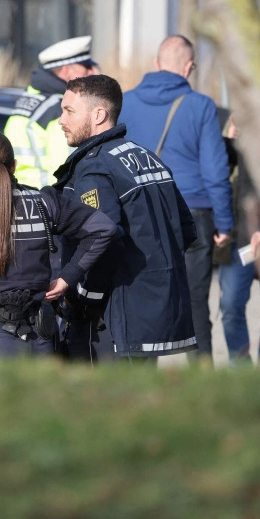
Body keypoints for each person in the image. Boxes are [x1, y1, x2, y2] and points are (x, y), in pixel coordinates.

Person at [0, 131, 118, 361]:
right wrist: (67, 278)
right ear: (14, 166)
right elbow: (102, 228)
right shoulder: (43, 201)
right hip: (41, 336)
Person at [53, 74, 197, 361]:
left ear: (98, 115)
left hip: (114, 319)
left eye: (69, 111)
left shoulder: (94, 168)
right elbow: (186, 229)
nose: (61, 120)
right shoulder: (146, 156)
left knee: (110, 403)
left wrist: (84, 298)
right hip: (149, 314)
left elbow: (103, 239)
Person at [122, 35, 233, 362]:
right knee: (195, 302)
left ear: (156, 64)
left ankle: (142, 379)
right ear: (190, 67)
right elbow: (215, 169)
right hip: (193, 213)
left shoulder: (125, 102)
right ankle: (201, 379)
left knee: (143, 300)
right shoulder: (200, 106)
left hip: (139, 213)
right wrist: (224, 222)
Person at [216, 116, 260, 362]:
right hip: (242, 237)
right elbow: (230, 162)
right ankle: (240, 367)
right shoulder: (249, 134)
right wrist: (231, 135)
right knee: (231, 306)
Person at [4, 35, 100, 188]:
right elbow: (66, 167)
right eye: (86, 67)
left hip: (23, 198)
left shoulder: (30, 98)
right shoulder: (59, 109)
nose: (92, 72)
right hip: (50, 202)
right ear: (67, 70)